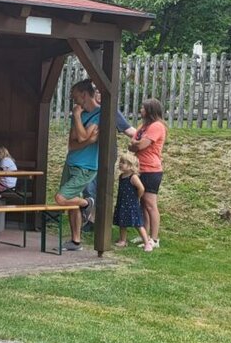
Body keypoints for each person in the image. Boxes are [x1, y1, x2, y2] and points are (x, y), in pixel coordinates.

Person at [55, 79, 129, 251]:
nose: (73, 101)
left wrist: (79, 122)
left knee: (61, 199)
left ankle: (88, 203)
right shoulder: (78, 114)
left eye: (75, 97)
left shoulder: (100, 114)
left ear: (84, 94)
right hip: (71, 162)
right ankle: (75, 241)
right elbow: (73, 143)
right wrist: (86, 136)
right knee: (70, 204)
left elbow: (80, 138)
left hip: (86, 167)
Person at [129, 98, 167, 249]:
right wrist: (136, 145)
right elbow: (132, 144)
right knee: (143, 204)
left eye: (143, 108)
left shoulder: (157, 126)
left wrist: (136, 145)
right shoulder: (143, 126)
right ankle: (144, 235)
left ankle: (155, 239)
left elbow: (142, 144)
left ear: (150, 110)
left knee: (151, 204)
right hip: (139, 169)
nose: (141, 110)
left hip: (151, 170)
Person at [113, 153, 154, 252]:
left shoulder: (133, 177)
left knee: (138, 224)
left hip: (132, 204)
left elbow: (141, 188)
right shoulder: (121, 176)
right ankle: (123, 240)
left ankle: (147, 243)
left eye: (123, 162)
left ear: (131, 165)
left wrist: (137, 197)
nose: (120, 164)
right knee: (122, 222)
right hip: (122, 202)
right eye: (120, 162)